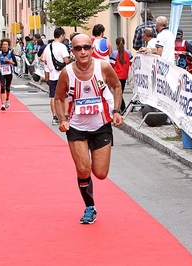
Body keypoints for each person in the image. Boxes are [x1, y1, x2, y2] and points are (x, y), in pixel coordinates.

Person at [54, 34, 123, 224]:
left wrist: (116, 110)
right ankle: (89, 207)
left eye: (86, 47)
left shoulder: (103, 67)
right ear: (72, 51)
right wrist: (62, 119)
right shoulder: (67, 73)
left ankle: (88, 173)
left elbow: (117, 86)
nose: (82, 51)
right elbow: (59, 98)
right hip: (76, 127)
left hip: (101, 126)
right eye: (78, 48)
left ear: (92, 48)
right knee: (83, 170)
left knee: (100, 174)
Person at [42, 27, 71, 125]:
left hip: (52, 76)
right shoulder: (61, 47)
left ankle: (54, 117)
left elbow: (44, 61)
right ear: (61, 35)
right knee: (65, 96)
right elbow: (66, 61)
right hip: (61, 75)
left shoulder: (47, 47)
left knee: (53, 97)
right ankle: (65, 115)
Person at [0, 38, 17, 111]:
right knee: (2, 87)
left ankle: (7, 99)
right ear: (1, 45)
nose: (5, 46)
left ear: (8, 46)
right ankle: (3, 104)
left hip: (9, 72)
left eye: (6, 45)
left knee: (8, 87)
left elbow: (15, 64)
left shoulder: (11, 53)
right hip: (2, 72)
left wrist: (9, 61)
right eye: (3, 44)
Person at [110, 37, 133, 112]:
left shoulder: (114, 53)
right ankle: (122, 108)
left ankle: (122, 108)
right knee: (121, 92)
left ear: (116, 44)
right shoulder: (128, 53)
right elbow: (131, 63)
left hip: (116, 76)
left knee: (118, 93)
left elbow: (111, 65)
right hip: (124, 76)